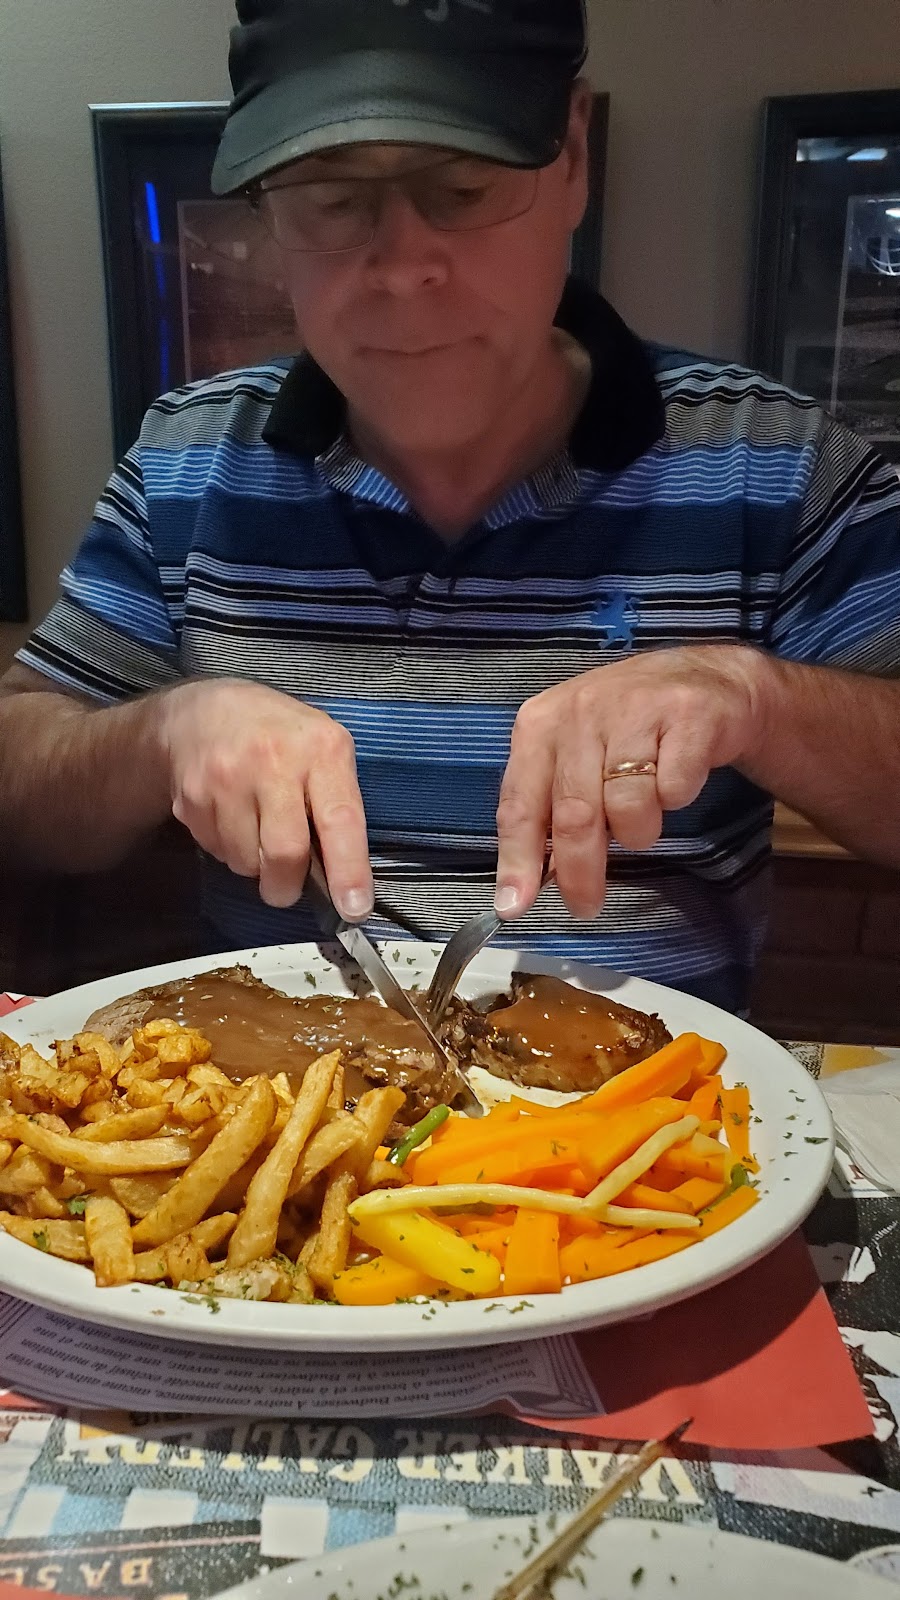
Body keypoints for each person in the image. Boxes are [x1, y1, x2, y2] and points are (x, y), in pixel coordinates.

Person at [2, 0, 900, 1016]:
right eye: (330, 198)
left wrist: (755, 698)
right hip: (265, 1098)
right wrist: (159, 737)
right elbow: (18, 780)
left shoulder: (775, 461)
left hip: (657, 1107)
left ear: (572, 157)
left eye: (463, 187)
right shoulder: (185, 460)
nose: (403, 267)